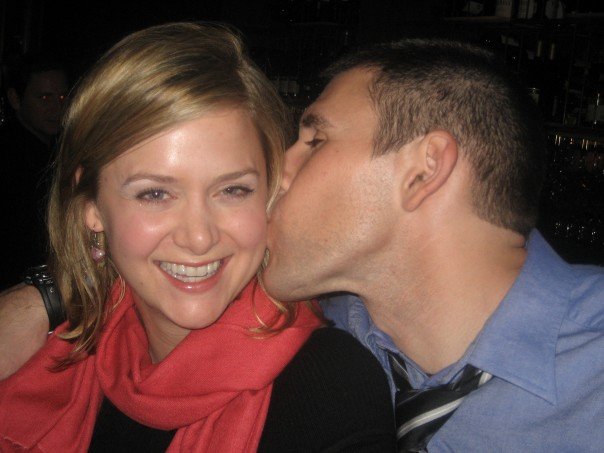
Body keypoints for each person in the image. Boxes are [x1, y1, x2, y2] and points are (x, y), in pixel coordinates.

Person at [2, 36, 603, 452]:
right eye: (156, 193)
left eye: (313, 141)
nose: (279, 176)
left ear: (423, 172)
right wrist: (52, 292)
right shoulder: (343, 323)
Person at [0, 22, 394, 452]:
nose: (200, 237)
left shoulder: (332, 389)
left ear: (270, 193)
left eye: (233, 190)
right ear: (91, 207)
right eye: (155, 194)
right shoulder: (47, 358)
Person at [0, 52, 69, 288]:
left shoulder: (57, 148)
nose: (57, 107)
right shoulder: (11, 156)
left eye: (62, 97)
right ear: (15, 98)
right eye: (44, 98)